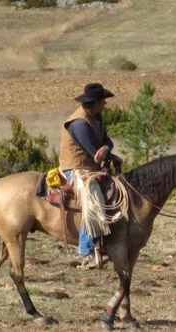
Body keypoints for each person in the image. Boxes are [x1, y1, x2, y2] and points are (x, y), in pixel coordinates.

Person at [58, 82, 121, 268]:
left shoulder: (96, 117)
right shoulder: (79, 123)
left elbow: (106, 141)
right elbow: (93, 150)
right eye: (102, 101)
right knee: (92, 196)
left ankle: (105, 242)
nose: (105, 105)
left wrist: (107, 147)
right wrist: (103, 150)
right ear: (93, 103)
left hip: (89, 166)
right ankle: (85, 251)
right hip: (75, 168)